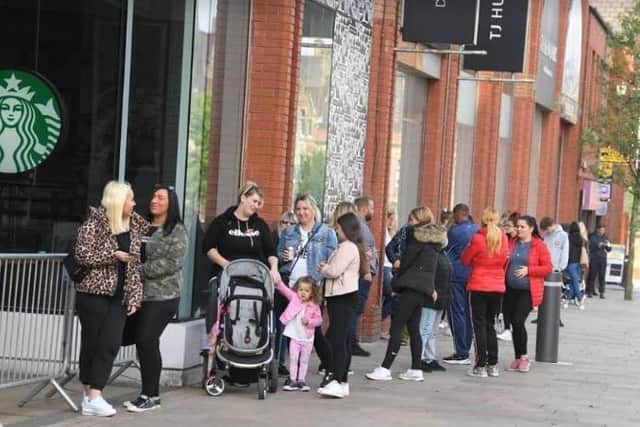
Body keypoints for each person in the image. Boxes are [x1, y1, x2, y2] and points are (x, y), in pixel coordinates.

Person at [74, 181, 146, 417]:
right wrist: (112, 255)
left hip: (119, 297)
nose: (134, 203)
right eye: (130, 198)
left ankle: (95, 393)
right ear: (118, 201)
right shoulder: (94, 223)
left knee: (111, 344)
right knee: (92, 344)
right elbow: (82, 255)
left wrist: (135, 295)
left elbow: (134, 265)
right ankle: (89, 395)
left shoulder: (134, 225)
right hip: (93, 294)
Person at [125, 185, 188, 412]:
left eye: (160, 198)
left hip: (162, 296)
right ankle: (148, 394)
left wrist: (135, 269)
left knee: (146, 340)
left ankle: (150, 396)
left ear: (171, 203)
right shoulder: (142, 225)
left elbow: (172, 263)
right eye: (153, 196)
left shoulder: (177, 230)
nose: (154, 201)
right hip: (137, 294)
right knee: (144, 342)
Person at [366, 223, 446, 382]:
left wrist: (395, 286)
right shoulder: (435, 250)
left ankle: (385, 368)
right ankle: (416, 369)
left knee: (396, 328)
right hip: (422, 293)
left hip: (409, 289)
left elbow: (404, 267)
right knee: (414, 329)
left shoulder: (416, 246)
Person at [277, 194, 337, 378]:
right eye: (299, 209)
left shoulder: (325, 232)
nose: (302, 212)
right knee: (292, 329)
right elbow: (279, 254)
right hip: (293, 286)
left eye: (305, 209)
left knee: (313, 329)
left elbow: (333, 257)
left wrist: (325, 269)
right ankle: (294, 372)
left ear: (313, 210)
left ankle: (331, 366)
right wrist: (283, 257)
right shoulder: (289, 232)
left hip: (313, 286)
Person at [317, 212, 367, 398]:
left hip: (341, 296)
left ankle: (337, 380)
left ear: (346, 228)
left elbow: (335, 271)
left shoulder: (347, 247)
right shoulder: (351, 247)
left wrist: (324, 268)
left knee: (338, 340)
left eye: (338, 228)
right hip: (345, 295)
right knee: (343, 340)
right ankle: (341, 380)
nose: (336, 231)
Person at [461, 208, 509, 378]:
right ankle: (493, 364)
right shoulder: (503, 238)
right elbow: (505, 261)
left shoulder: (478, 238)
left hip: (479, 285)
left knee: (479, 326)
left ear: (482, 221)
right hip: (497, 286)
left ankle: (480, 364)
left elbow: (465, 259)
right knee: (491, 325)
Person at [202, 181, 281, 284]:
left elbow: (271, 251)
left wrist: (274, 270)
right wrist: (226, 264)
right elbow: (208, 247)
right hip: (227, 275)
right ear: (243, 198)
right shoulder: (223, 221)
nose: (256, 206)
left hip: (254, 278)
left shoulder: (260, 225)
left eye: (258, 203)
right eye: (254, 201)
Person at [504, 215, 552, 373]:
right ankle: (517, 357)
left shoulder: (538, 245)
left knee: (518, 321)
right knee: (512, 323)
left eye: (522, 227)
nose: (518, 229)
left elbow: (547, 268)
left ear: (531, 228)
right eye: (517, 226)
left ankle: (524, 357)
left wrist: (529, 270)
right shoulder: (512, 243)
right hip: (510, 290)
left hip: (527, 290)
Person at [443, 203, 478, 365]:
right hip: (471, 275)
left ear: (457, 214)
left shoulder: (455, 231)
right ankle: (467, 347)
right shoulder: (477, 230)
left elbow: (445, 249)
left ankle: (461, 351)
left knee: (456, 312)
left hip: (455, 275)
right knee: (468, 313)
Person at [276, 277, 323, 392]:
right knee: (293, 358)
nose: (303, 292)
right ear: (297, 290)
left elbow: (319, 320)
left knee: (304, 360)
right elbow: (285, 290)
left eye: (307, 291)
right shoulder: (294, 299)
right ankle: (293, 380)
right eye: (301, 289)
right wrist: (278, 282)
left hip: (307, 338)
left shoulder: (314, 306)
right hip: (295, 337)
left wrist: (309, 322)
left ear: (312, 293)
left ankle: (301, 380)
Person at [419, 235, 452, 373]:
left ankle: (429, 358)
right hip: (431, 298)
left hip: (440, 297)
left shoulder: (441, 254)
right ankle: (418, 358)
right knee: (425, 329)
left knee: (432, 331)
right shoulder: (431, 255)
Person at [351, 196, 378, 357]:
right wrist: (366, 271)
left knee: (357, 309)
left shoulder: (361, 225)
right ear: (364, 209)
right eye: (372, 208)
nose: (373, 212)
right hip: (362, 275)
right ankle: (352, 342)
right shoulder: (359, 226)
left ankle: (352, 341)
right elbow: (362, 252)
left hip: (363, 274)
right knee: (356, 308)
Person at [497, 212, 519, 342]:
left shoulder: (517, 241)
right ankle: (506, 328)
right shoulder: (507, 238)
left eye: (509, 225)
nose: (506, 227)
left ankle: (508, 328)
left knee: (511, 305)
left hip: (513, 276)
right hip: (504, 274)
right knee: (505, 304)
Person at [381, 207, 397, 340]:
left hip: (390, 268)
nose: (391, 222)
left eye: (393, 219)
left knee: (391, 297)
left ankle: (382, 324)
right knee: (392, 294)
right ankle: (381, 322)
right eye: (389, 219)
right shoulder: (382, 232)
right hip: (385, 268)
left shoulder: (391, 233)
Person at [586, 224, 611, 299]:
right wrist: (598, 245)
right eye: (601, 230)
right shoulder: (593, 238)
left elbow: (609, 249)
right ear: (598, 230)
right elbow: (590, 248)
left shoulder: (606, 238)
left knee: (602, 276)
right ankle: (590, 291)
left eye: (603, 230)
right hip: (594, 258)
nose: (602, 231)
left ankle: (602, 292)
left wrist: (607, 246)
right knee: (592, 275)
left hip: (603, 259)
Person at [566, 222, 586, 309]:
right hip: (578, 262)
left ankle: (579, 297)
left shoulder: (568, 238)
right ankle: (569, 298)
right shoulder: (581, 238)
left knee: (574, 281)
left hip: (571, 262)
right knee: (574, 281)